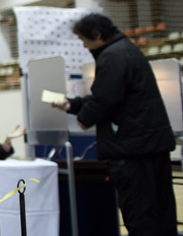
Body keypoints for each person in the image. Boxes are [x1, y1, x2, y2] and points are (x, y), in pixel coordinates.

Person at [51, 13, 176, 236]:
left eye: (84, 39)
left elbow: (106, 99)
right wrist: (73, 105)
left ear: (97, 35)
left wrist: (84, 117)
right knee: (161, 213)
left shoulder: (112, 56)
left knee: (140, 214)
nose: (84, 45)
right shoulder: (126, 50)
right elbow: (111, 95)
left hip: (132, 150)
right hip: (150, 145)